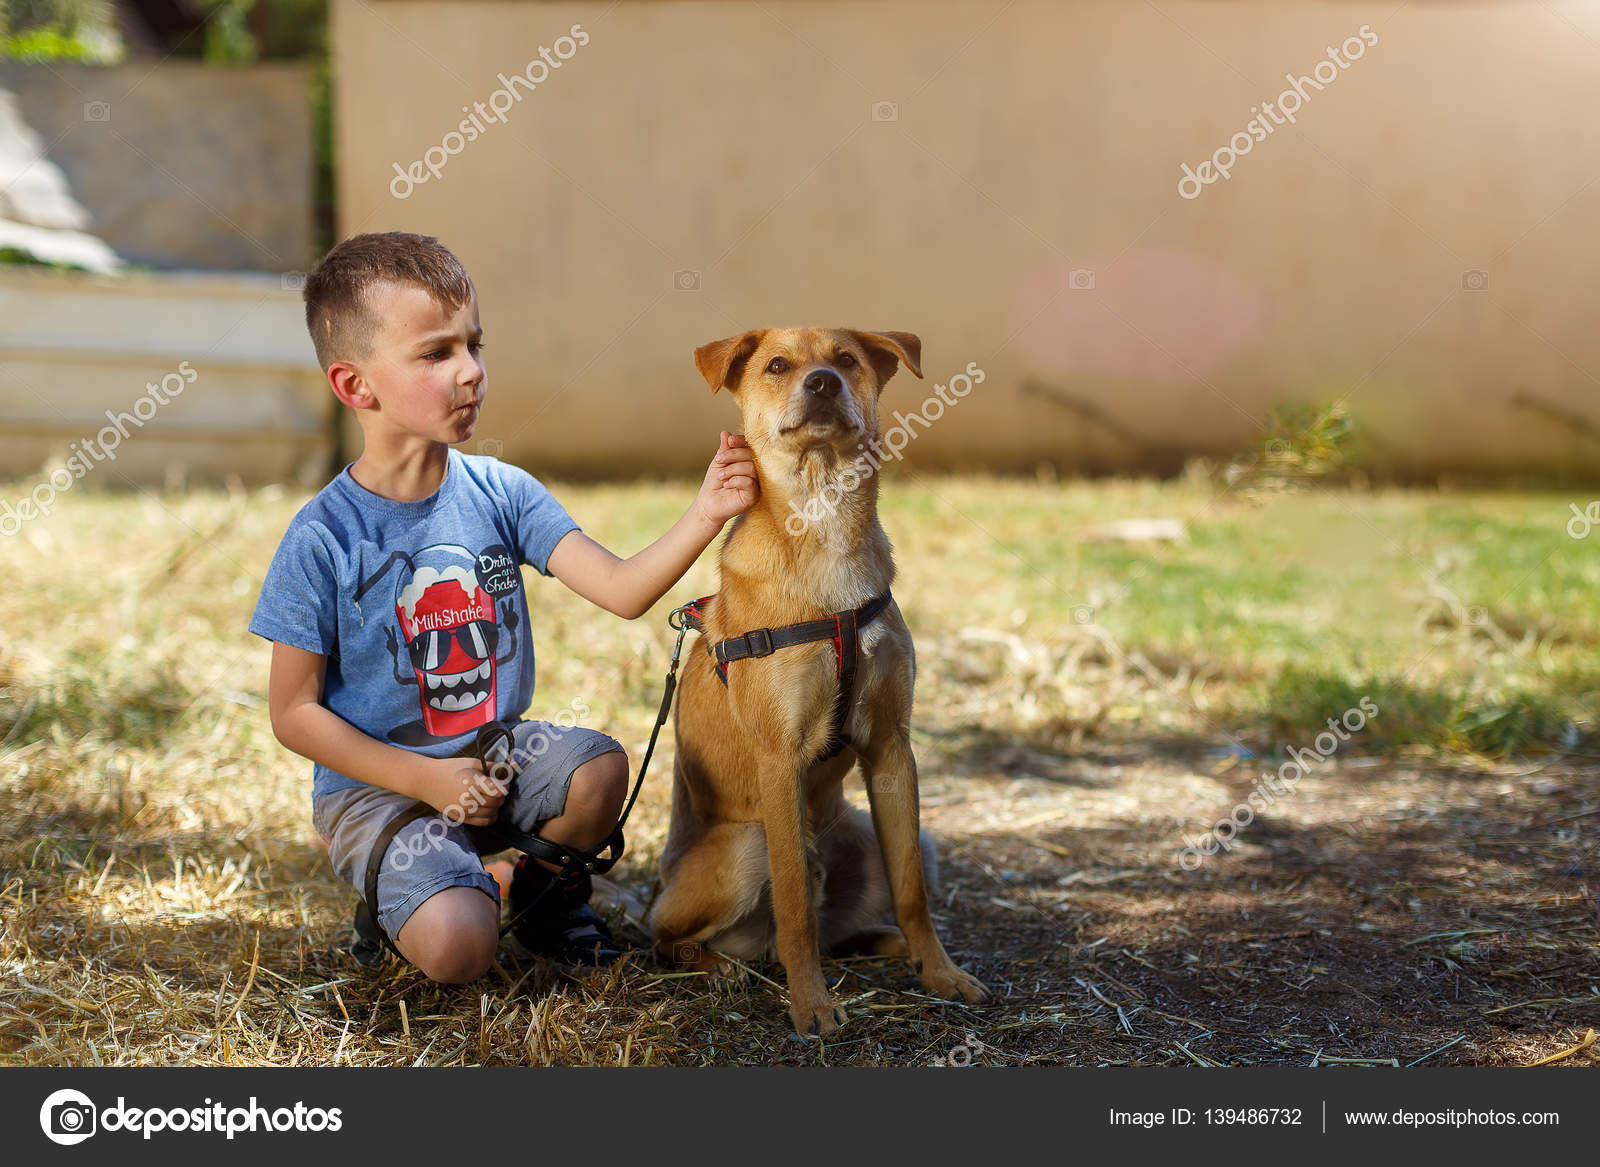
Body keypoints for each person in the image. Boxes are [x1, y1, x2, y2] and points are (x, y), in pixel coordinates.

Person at [250, 232, 757, 982]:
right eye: (435, 355)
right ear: (357, 386)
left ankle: (544, 901)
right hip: (378, 788)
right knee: (461, 952)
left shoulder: (502, 492)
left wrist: (706, 512)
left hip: (495, 759)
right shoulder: (323, 536)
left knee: (597, 771)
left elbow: (621, 590)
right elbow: (293, 712)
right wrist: (424, 782)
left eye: (474, 345)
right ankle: (421, 894)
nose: (471, 372)